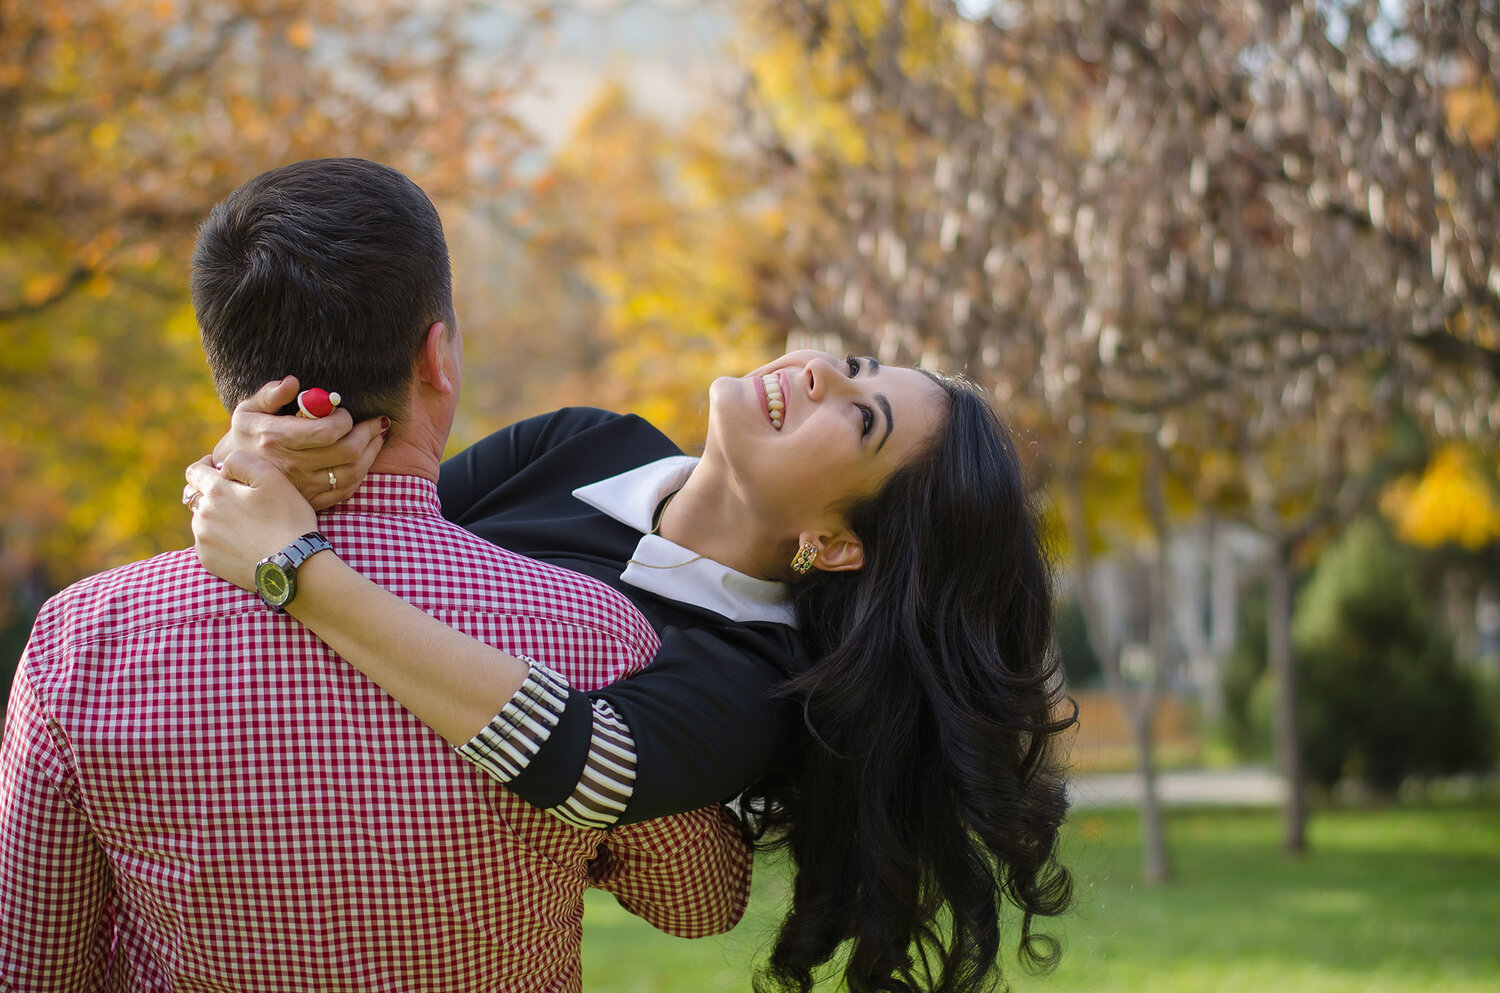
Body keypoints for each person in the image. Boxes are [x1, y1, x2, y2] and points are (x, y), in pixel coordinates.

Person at [0, 158, 752, 993]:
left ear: (227, 370)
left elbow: (34, 967)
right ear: (439, 356)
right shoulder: (587, 628)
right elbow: (699, 900)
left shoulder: (82, 643)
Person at [187, 341, 1077, 990]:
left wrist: (294, 568)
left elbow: (585, 763)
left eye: (860, 414)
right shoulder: (582, 442)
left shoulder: (745, 679)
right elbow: (374, 535)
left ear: (836, 543)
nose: (821, 371)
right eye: (856, 359)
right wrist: (259, 463)